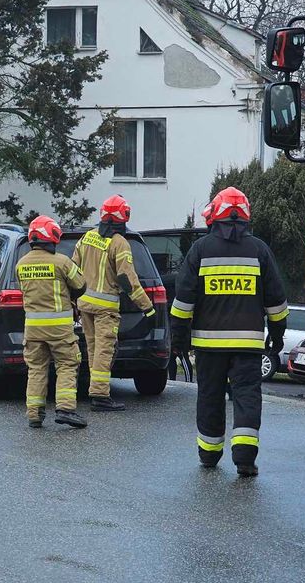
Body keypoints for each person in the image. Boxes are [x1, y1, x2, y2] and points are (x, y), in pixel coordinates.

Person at [170, 187, 288, 477]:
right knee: (247, 396)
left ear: (216, 216)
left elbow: (183, 300)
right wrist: (277, 333)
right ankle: (245, 459)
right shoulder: (259, 250)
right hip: (248, 344)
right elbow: (276, 299)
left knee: (210, 396)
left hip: (208, 346)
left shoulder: (200, 250)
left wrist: (180, 339)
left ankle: (209, 454)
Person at [71, 195, 155, 411]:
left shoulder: (87, 237)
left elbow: (73, 270)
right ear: (122, 216)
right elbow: (128, 280)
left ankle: (94, 390)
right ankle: (100, 395)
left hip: (85, 305)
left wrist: (73, 300)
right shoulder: (120, 243)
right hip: (105, 308)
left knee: (92, 348)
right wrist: (147, 307)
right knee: (104, 349)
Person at [17, 215, 88, 429]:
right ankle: (65, 409)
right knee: (67, 364)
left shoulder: (21, 264)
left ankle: (34, 415)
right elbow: (81, 284)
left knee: (36, 368)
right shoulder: (62, 262)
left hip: (33, 329)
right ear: (52, 236)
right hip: (59, 329)